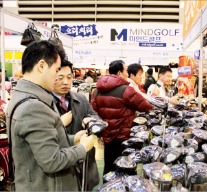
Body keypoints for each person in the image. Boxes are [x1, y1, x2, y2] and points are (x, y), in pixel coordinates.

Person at [6, 41, 95, 191]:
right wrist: (82, 148)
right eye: (56, 70)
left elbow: (41, 143)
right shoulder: (33, 106)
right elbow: (52, 161)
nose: (58, 77)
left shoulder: (23, 96)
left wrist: (72, 139)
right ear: (41, 66)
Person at [91, 60, 153, 174]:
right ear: (119, 73)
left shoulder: (96, 91)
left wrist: (100, 134)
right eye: (125, 70)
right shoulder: (125, 90)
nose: (127, 73)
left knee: (109, 167)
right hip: (123, 136)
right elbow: (145, 105)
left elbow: (94, 114)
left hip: (107, 136)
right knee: (125, 167)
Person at [52, 60, 102, 191]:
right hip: (61, 166)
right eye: (60, 77)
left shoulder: (80, 99)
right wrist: (59, 123)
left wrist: (90, 121)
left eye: (69, 77)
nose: (66, 82)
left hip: (85, 164)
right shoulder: (43, 104)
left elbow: (96, 117)